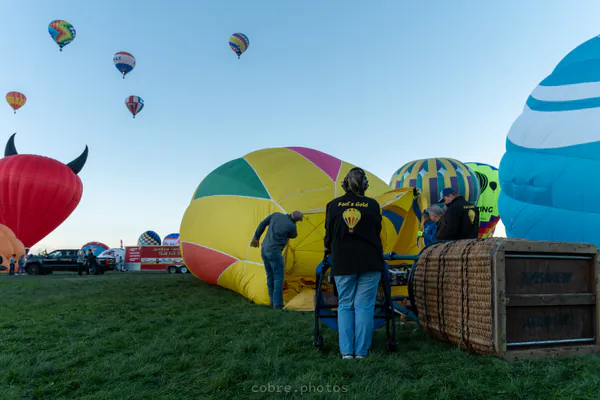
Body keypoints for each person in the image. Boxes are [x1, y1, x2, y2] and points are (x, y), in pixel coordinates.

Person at [324, 167, 384, 360]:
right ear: (365, 184)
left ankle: (347, 352)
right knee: (364, 306)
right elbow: (377, 229)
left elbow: (329, 235)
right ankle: (362, 352)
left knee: (345, 305)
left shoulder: (333, 205)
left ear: (344, 184)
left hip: (343, 261)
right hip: (370, 259)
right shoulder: (373, 204)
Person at [250, 210, 304, 309]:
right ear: (297, 220)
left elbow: (263, 223)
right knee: (278, 278)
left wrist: (256, 237)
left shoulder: (276, 215)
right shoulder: (292, 226)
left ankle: (272, 301)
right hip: (275, 253)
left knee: (270, 276)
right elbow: (294, 235)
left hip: (264, 249)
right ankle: (278, 303)